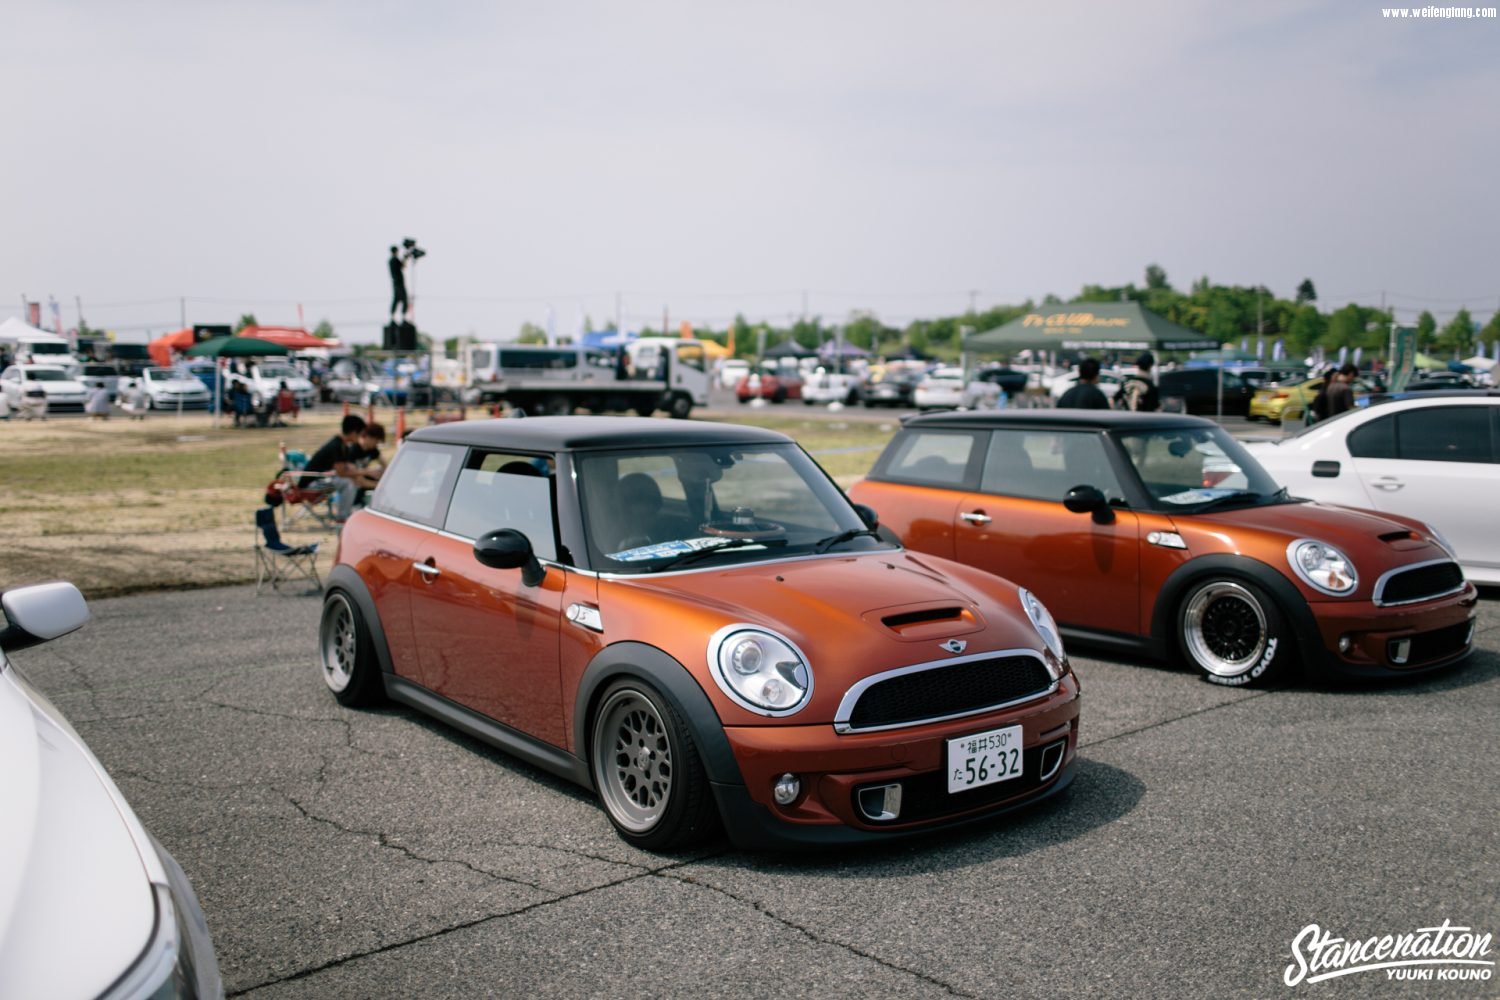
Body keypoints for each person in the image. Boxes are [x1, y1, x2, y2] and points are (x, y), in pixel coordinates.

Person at [302, 414, 368, 523]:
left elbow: (349, 468)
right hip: (311, 484)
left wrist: (363, 474)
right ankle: (343, 518)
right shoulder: (336, 446)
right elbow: (342, 472)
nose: (361, 437)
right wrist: (367, 472)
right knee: (348, 483)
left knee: (351, 481)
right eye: (360, 434)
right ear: (354, 432)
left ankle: (346, 513)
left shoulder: (343, 446)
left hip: (321, 480)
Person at [388, 245, 408, 323]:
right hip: (399, 283)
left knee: (396, 299)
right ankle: (403, 317)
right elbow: (403, 266)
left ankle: (393, 316)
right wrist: (405, 258)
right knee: (403, 299)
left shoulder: (391, 260)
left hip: (396, 283)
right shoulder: (394, 260)